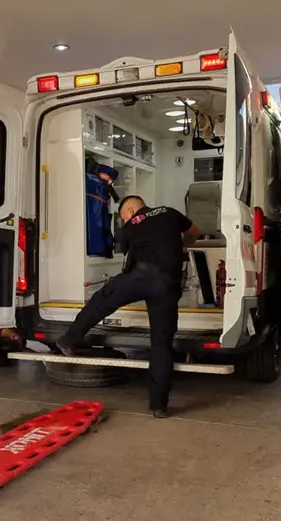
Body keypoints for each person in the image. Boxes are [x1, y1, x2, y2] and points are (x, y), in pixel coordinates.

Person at [56, 195, 201, 418]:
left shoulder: (130, 227)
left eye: (124, 216)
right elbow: (195, 231)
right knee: (161, 344)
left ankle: (70, 338)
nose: (124, 219)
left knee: (102, 301)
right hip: (169, 284)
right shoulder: (170, 212)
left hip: (140, 276)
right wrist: (179, 246)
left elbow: (128, 257)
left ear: (131, 211)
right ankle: (158, 405)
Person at [86, 163, 120, 258]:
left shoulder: (96, 187)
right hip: (96, 248)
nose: (110, 181)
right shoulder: (97, 186)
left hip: (94, 248)